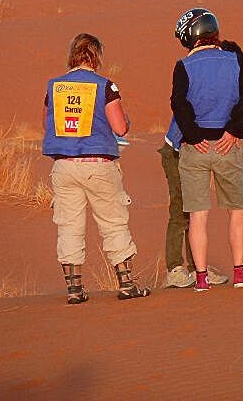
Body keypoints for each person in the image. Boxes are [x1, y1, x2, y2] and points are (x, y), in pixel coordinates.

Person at [42, 33, 150, 304]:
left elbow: (48, 126)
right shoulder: (105, 86)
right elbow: (119, 128)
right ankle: (126, 284)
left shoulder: (54, 87)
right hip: (99, 165)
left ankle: (74, 290)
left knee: (68, 226)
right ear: (96, 56)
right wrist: (126, 121)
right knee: (113, 222)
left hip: (64, 166)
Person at [171, 8, 243, 292]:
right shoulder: (235, 60)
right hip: (227, 146)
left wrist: (193, 134)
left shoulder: (184, 65)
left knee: (198, 215)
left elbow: (178, 103)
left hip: (194, 148)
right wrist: (234, 130)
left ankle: (201, 279)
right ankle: (240, 272)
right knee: (236, 210)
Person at [159, 117, 228, 288]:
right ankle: (174, 269)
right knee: (180, 211)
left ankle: (197, 269)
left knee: (194, 210)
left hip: (193, 152)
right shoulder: (194, 92)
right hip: (177, 151)